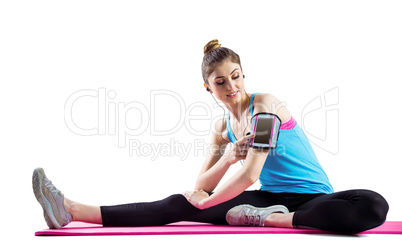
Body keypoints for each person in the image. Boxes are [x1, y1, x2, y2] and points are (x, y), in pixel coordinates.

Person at [32, 39, 389, 234]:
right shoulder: (222, 128)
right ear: (208, 87)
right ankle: (70, 209)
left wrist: (206, 202)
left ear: (244, 75)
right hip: (267, 198)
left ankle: (271, 219)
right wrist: (229, 156)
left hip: (312, 200)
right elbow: (202, 182)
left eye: (236, 76)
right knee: (177, 203)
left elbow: (250, 174)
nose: (232, 86)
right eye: (221, 81)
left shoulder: (265, 106)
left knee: (372, 205)